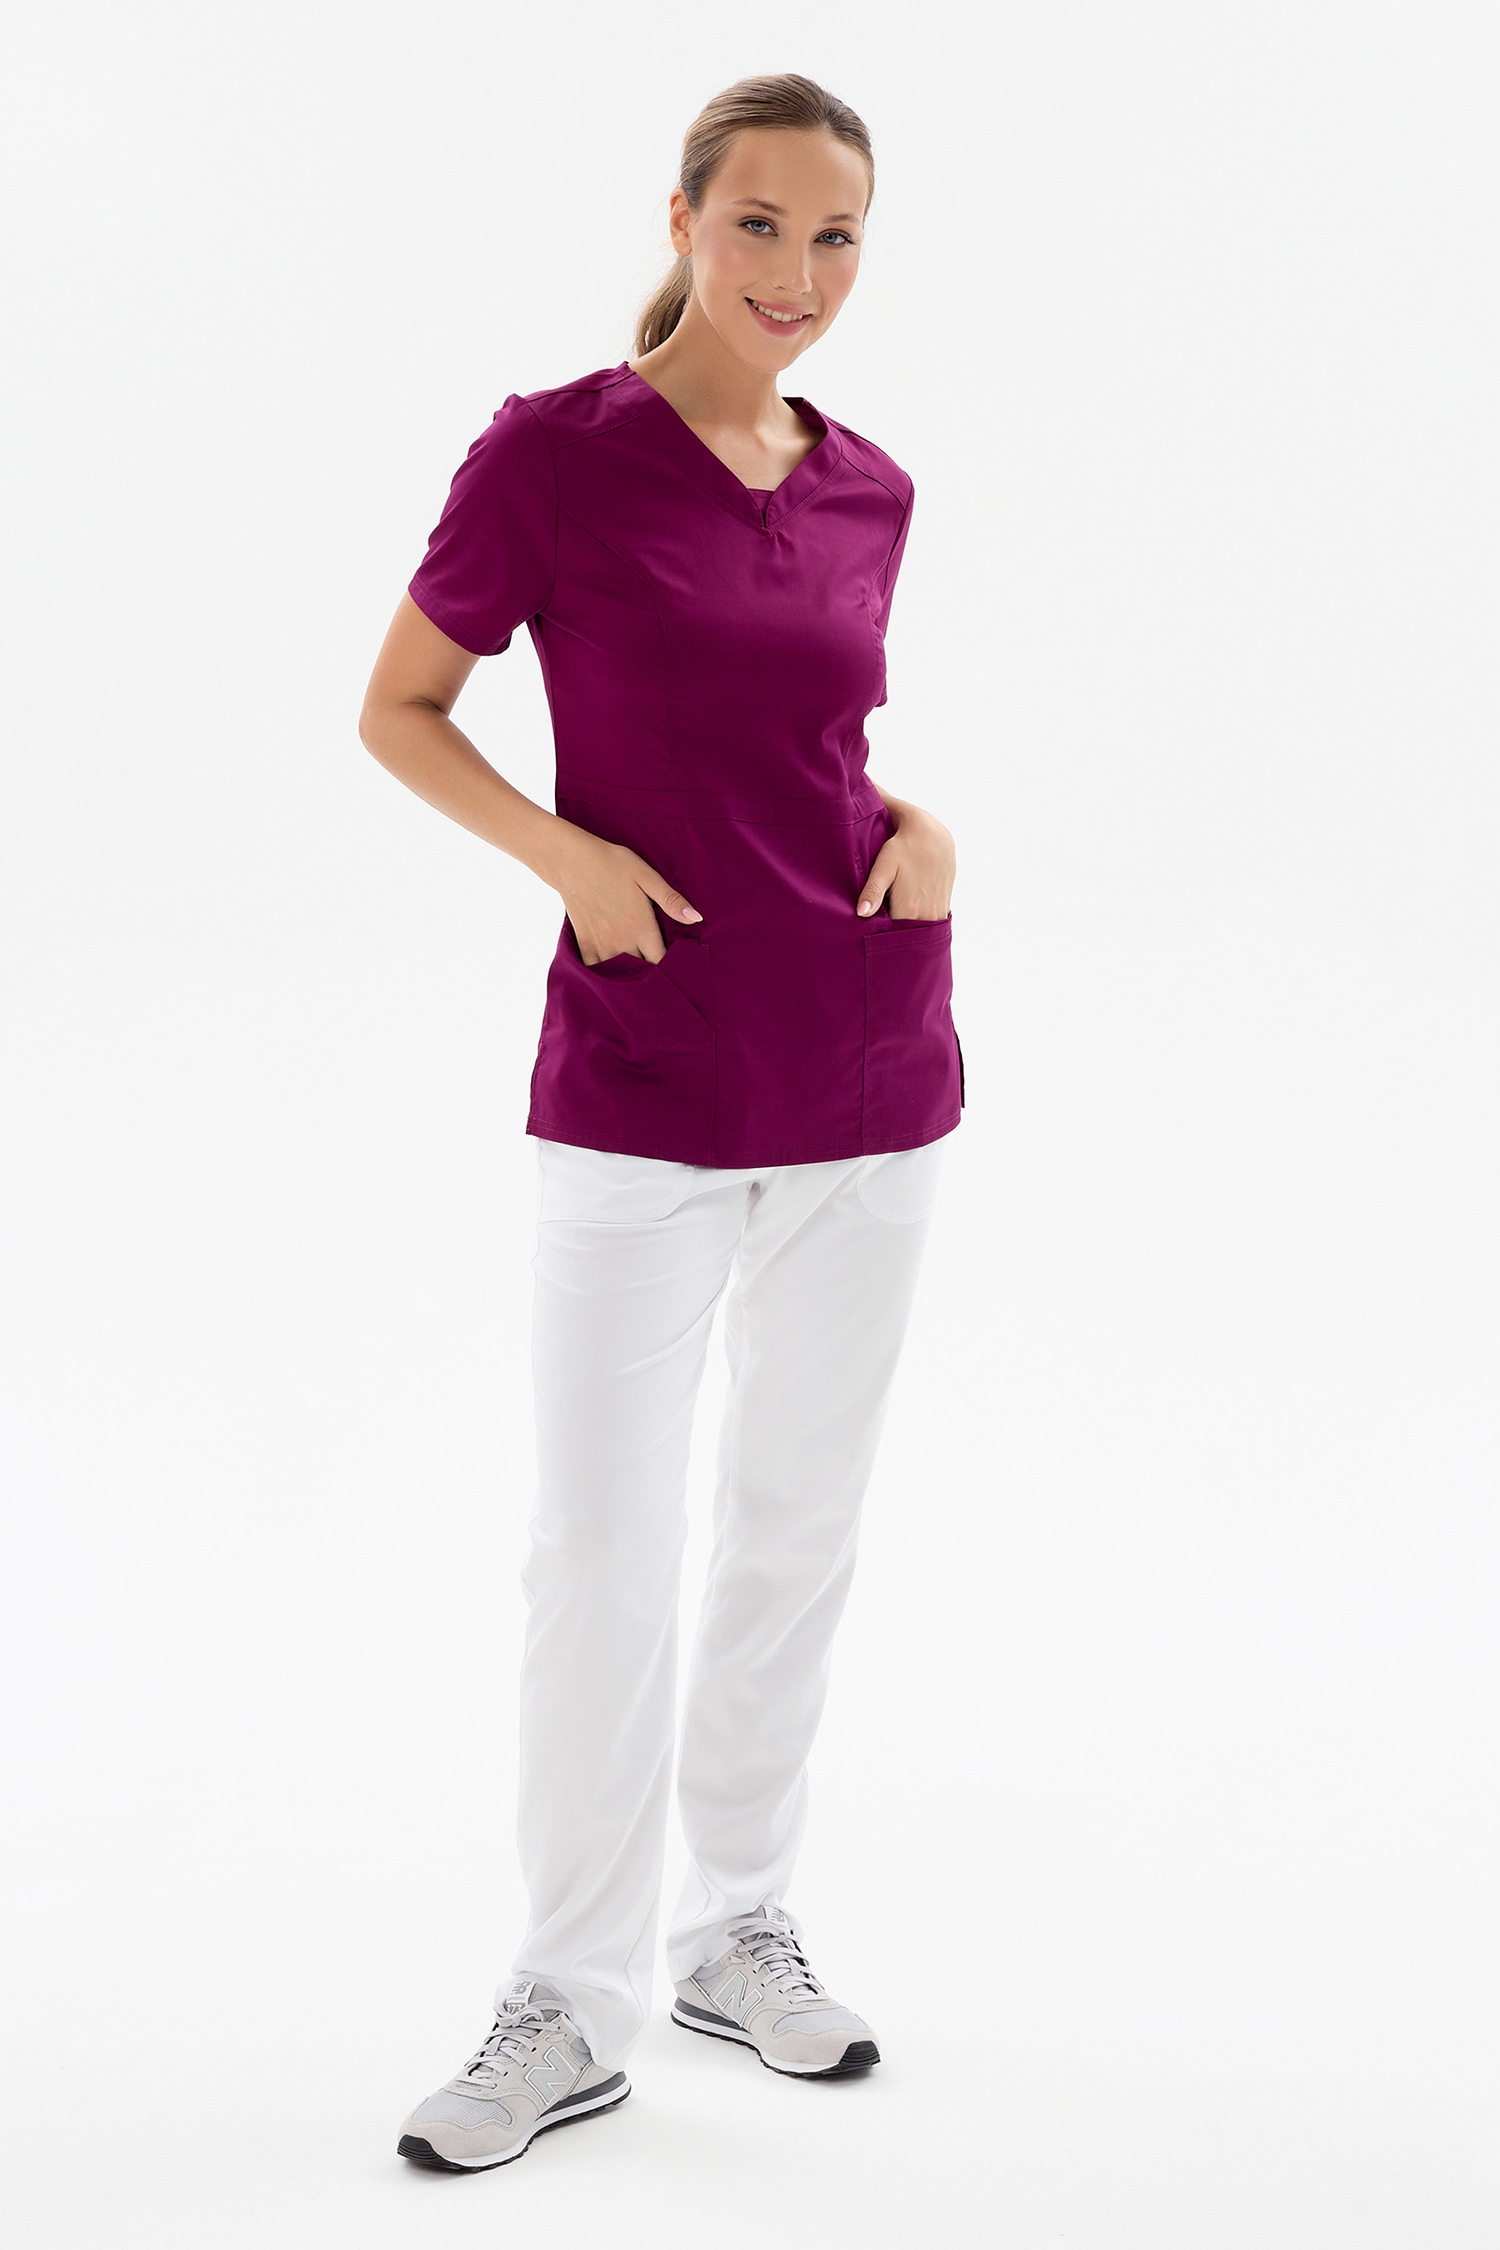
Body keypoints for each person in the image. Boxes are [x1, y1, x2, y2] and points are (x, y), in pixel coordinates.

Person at [359, 71, 961, 2174]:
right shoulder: (552, 458)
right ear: (686, 217)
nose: (798, 272)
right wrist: (567, 859)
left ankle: (738, 1929)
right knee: (601, 1551)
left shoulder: (871, 486)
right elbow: (400, 708)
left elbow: (817, 745)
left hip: (868, 1070)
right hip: (638, 1073)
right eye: (761, 223)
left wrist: (928, 827)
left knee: (794, 1528)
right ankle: (567, 1993)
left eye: (836, 235)